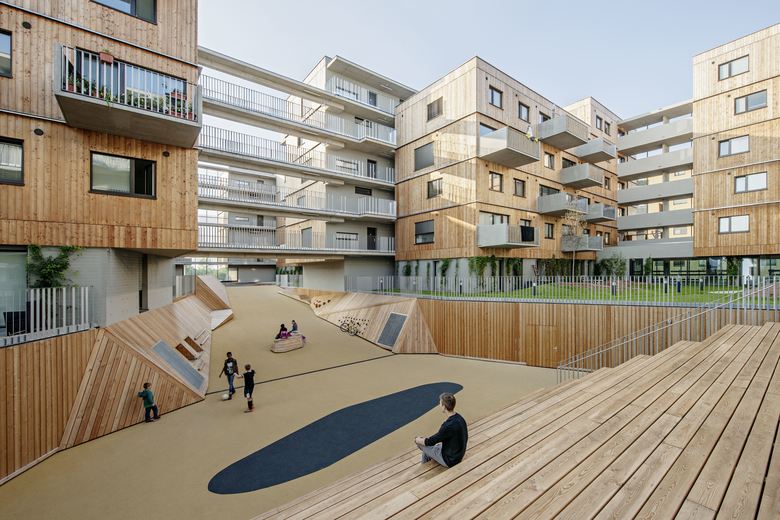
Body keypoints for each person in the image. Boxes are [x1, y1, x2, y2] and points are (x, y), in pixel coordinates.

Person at [414, 392, 468, 468]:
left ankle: (422, 469)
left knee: (421, 444)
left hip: (450, 460)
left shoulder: (447, 426)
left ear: (444, 406)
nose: (439, 405)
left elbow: (430, 442)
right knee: (429, 450)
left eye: (440, 404)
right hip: (458, 455)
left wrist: (417, 439)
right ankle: (424, 466)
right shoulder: (460, 418)